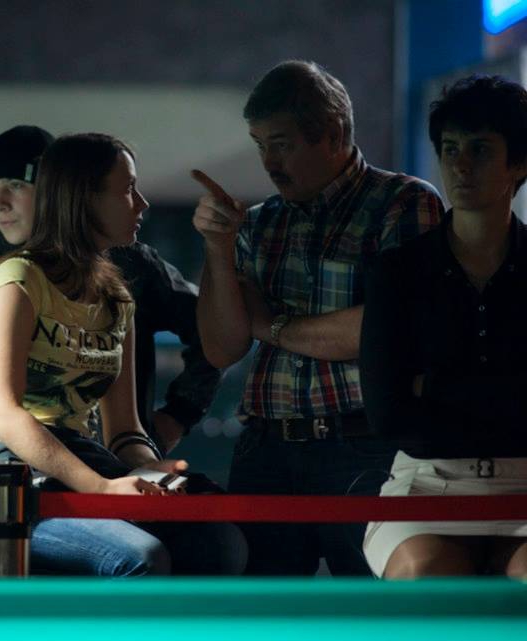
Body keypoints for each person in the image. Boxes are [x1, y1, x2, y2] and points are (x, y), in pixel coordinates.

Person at [0, 133, 246, 576]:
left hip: (80, 467)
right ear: (84, 199)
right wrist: (101, 488)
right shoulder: (16, 279)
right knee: (140, 557)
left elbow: (124, 429)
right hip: (3, 482)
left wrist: (152, 472)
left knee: (219, 542)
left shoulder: (117, 296)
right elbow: (4, 416)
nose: (141, 204)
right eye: (128, 190)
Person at [192, 60, 444, 575]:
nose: (268, 161)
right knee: (261, 610)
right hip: (267, 447)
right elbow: (221, 349)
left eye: (281, 144)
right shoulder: (257, 223)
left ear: (332, 133)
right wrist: (218, 247)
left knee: (373, 606)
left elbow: (391, 332)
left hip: (364, 445)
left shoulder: (403, 203)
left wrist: (272, 325)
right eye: (260, 145)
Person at [360, 75, 527, 578]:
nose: (460, 165)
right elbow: (387, 412)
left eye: (480, 150)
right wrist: (525, 383)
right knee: (429, 571)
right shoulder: (399, 271)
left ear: (521, 163)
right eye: (450, 149)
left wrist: (431, 386)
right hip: (427, 479)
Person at [0, 125, 221, 455]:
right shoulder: (0, 277)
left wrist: (177, 416)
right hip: (20, 465)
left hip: (106, 459)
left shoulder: (123, 278)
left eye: (17, 184)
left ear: (57, 190)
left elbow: (212, 329)